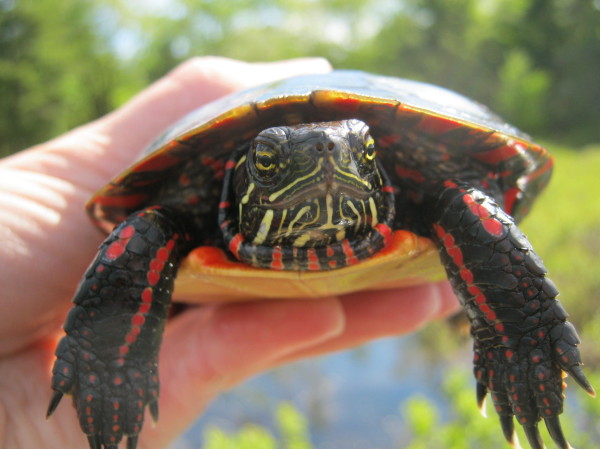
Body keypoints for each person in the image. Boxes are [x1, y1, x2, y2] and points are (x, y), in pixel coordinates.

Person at [0, 57, 459, 448]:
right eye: (267, 163)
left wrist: (525, 326)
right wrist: (106, 361)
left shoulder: (419, 184)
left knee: (464, 208)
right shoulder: (186, 206)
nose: (326, 153)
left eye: (359, 154)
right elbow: (142, 232)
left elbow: (470, 196)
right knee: (148, 231)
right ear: (237, 179)